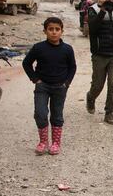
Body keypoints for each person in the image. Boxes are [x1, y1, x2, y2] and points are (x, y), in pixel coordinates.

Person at [22, 17, 77, 156]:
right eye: (50, 29)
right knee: (40, 114)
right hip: (43, 87)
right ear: (45, 31)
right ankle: (43, 142)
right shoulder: (38, 48)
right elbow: (26, 63)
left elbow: (72, 67)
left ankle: (56, 143)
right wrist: (35, 79)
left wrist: (67, 83)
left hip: (60, 87)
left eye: (57, 29)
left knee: (57, 115)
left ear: (62, 31)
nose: (54, 32)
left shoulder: (67, 49)